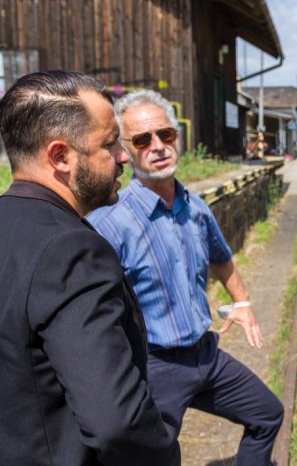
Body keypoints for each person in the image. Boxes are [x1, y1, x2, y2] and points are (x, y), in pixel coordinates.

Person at [88, 90, 284, 466]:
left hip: (206, 356)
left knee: (267, 414)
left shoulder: (194, 207)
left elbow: (221, 257)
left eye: (166, 135)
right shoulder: (109, 225)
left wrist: (241, 301)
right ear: (125, 151)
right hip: (155, 367)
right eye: (143, 140)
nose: (158, 146)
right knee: (154, 458)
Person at [0, 71, 180, 465]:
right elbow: (117, 422)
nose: (122, 157)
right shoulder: (71, 249)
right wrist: (165, 451)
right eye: (110, 143)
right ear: (60, 156)